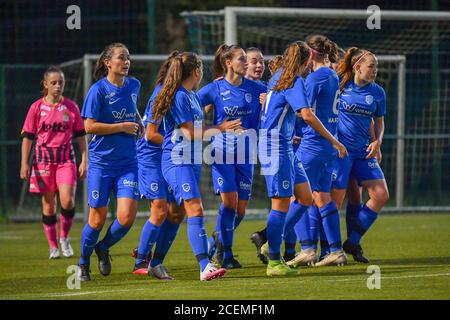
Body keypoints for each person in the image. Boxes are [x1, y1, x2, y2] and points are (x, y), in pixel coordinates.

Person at [259, 41, 346, 276]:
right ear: (306, 60)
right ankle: (274, 261)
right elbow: (306, 115)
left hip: (283, 144)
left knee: (305, 197)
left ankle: (272, 244)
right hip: (275, 147)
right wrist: (334, 140)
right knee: (281, 204)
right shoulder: (294, 81)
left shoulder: (279, 75)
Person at [152, 51, 241, 281]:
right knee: (195, 208)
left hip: (190, 161)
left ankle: (155, 263)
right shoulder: (180, 96)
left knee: (176, 214)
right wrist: (221, 129)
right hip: (176, 159)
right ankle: (205, 266)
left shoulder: (191, 95)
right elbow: (190, 134)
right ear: (196, 71)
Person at [77, 43, 144, 281]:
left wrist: (139, 122)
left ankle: (103, 248)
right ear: (108, 62)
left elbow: (132, 109)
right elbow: (88, 126)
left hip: (128, 164)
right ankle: (83, 264)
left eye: (128, 57)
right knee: (97, 219)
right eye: (121, 57)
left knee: (126, 219)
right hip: (102, 165)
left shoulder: (134, 85)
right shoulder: (98, 91)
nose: (126, 61)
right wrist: (122, 127)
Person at [197, 44, 266, 269]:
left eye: (246, 59)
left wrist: (268, 104)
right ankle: (226, 255)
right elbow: (188, 107)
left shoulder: (258, 89)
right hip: (221, 153)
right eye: (241, 59)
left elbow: (277, 107)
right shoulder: (214, 89)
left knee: (241, 210)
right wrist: (215, 125)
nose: (246, 62)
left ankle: (214, 240)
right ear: (228, 63)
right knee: (230, 203)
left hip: (246, 154)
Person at [20, 66, 87, 259]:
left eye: (61, 83)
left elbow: (81, 136)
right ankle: (53, 246)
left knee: (68, 200)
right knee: (49, 205)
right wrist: (24, 163)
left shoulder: (71, 106)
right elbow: (28, 137)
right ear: (45, 84)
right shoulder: (36, 107)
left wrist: (84, 159)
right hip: (43, 162)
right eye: (54, 83)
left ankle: (64, 238)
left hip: (66, 160)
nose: (58, 86)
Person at [331, 47, 389, 263]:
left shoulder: (377, 92)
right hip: (341, 152)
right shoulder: (339, 85)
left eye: (376, 66)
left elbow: (378, 120)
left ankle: (353, 241)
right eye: (371, 66)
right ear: (357, 67)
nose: (375, 70)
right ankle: (329, 248)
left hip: (364, 151)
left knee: (381, 195)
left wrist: (378, 142)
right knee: (335, 202)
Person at [131, 51, 184, 280]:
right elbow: (151, 134)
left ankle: (157, 261)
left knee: (177, 212)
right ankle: (140, 261)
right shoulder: (161, 95)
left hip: (168, 155)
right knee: (161, 209)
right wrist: (178, 146)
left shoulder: (184, 94)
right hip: (151, 156)